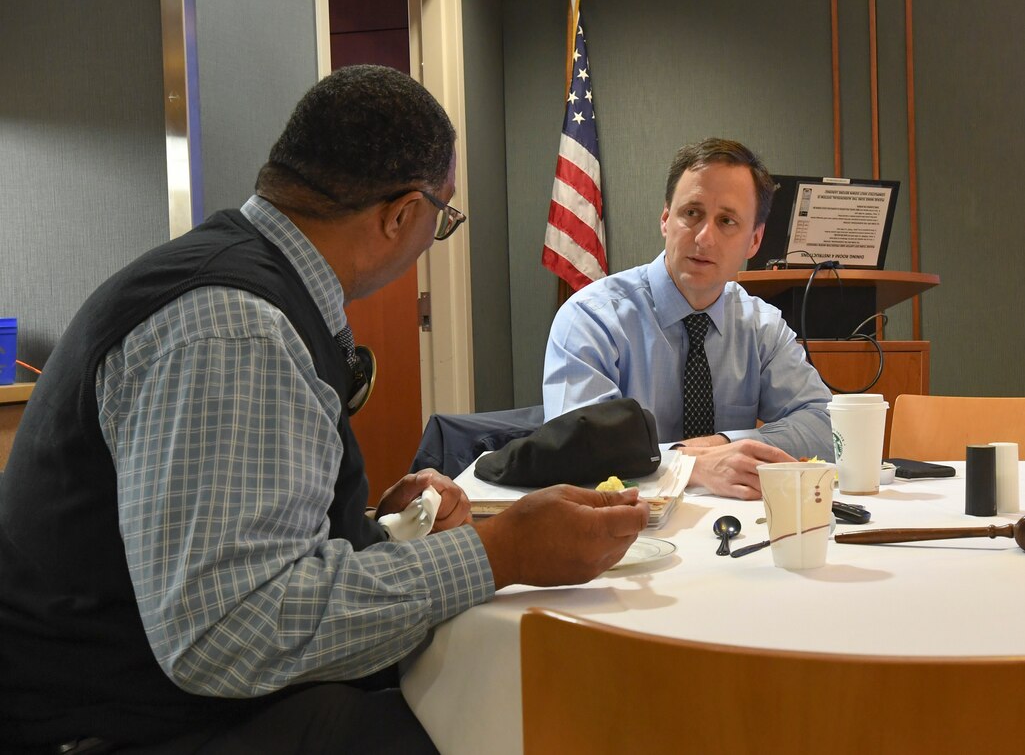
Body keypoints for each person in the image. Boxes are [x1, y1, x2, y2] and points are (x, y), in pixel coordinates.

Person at [0, 65, 649, 754]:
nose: (435, 232)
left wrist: (388, 532)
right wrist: (497, 551)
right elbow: (227, 633)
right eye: (443, 216)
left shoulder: (241, 289)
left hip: (145, 694)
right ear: (402, 214)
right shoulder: (234, 331)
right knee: (495, 722)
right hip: (103, 725)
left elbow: (240, 550)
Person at [543, 138, 833, 500]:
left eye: (727, 221)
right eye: (691, 213)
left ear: (754, 241)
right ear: (666, 219)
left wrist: (727, 443)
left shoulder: (762, 327)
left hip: (739, 531)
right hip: (627, 533)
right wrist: (690, 466)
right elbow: (576, 451)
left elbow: (826, 426)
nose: (705, 237)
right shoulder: (592, 319)